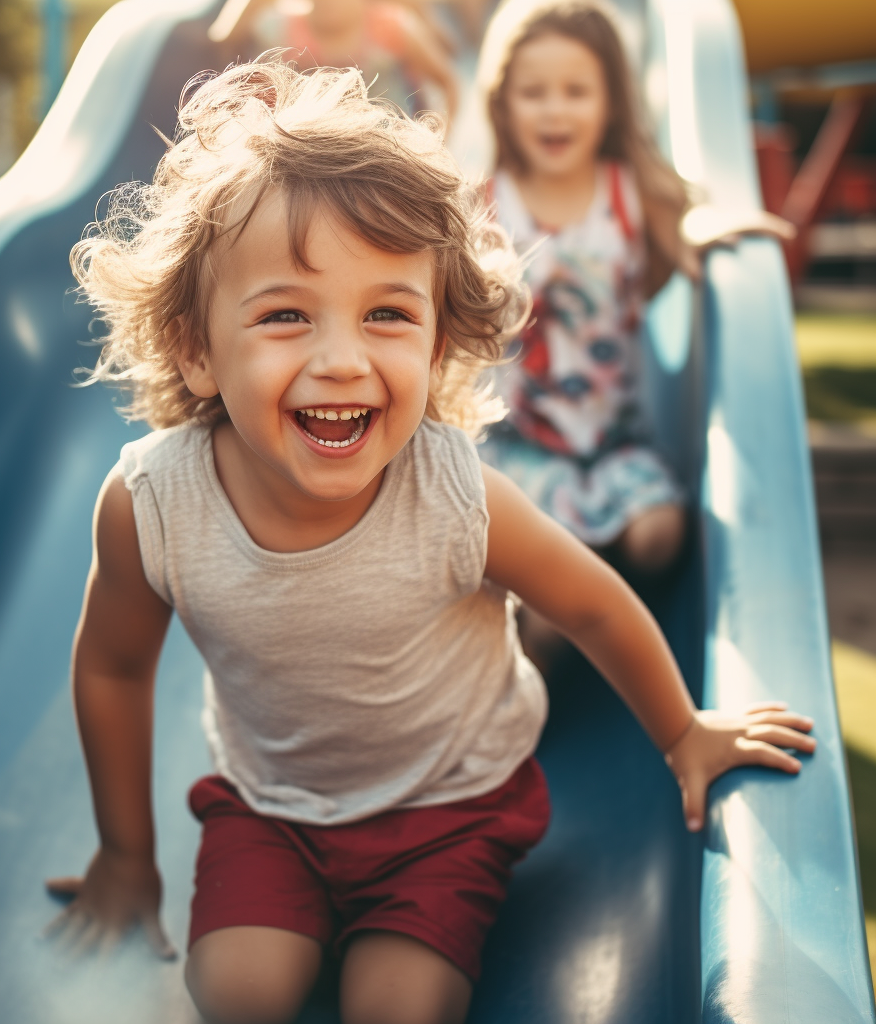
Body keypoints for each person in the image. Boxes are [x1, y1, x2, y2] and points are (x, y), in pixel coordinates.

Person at [44, 60, 814, 1024]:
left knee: (398, 1010)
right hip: (273, 809)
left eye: (388, 315)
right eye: (285, 314)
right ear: (196, 348)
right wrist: (125, 855)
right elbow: (112, 667)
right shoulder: (151, 502)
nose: (341, 358)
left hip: (451, 810)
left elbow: (589, 599)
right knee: (237, 994)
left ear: (438, 344)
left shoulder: (452, 494)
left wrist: (684, 734)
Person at [475, 0, 788, 579]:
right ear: (503, 100)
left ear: (611, 101)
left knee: (659, 536)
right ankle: (553, 622)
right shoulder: (486, 203)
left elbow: (686, 220)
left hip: (615, 439)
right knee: (544, 587)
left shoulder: (628, 192)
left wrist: (711, 228)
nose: (555, 111)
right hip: (518, 442)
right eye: (534, 92)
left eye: (576, 91)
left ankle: (597, 568)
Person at [209, 0, 459, 121]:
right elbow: (222, 37)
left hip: (385, 163)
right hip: (307, 161)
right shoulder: (283, 29)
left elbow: (449, 85)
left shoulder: (391, 27)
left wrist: (437, 142)